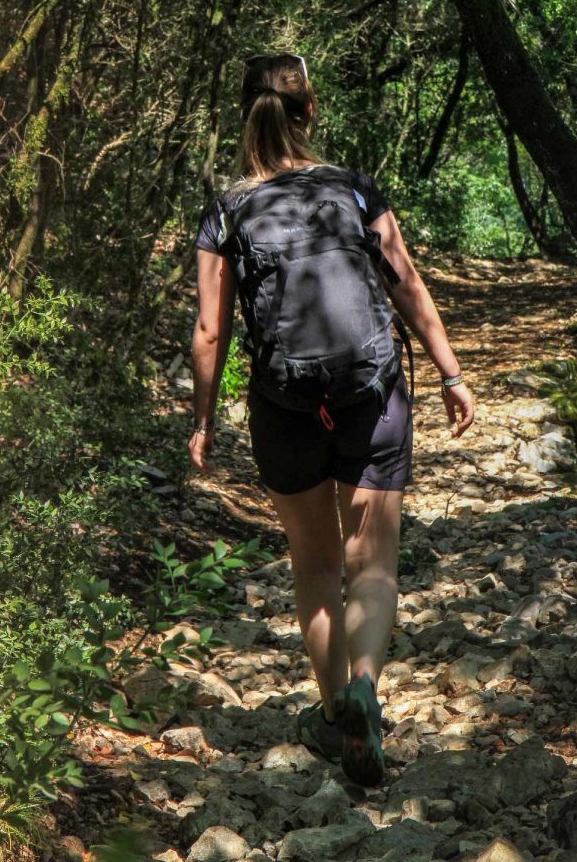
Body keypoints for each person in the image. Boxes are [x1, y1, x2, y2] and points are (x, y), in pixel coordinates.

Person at [189, 53, 474, 786]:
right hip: (369, 395)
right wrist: (451, 372)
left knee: (315, 565)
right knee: (371, 562)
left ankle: (331, 715)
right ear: (310, 112)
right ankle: (365, 693)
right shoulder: (352, 188)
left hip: (285, 408)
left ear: (243, 118)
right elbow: (404, 281)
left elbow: (211, 331)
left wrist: (204, 419)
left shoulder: (225, 211)